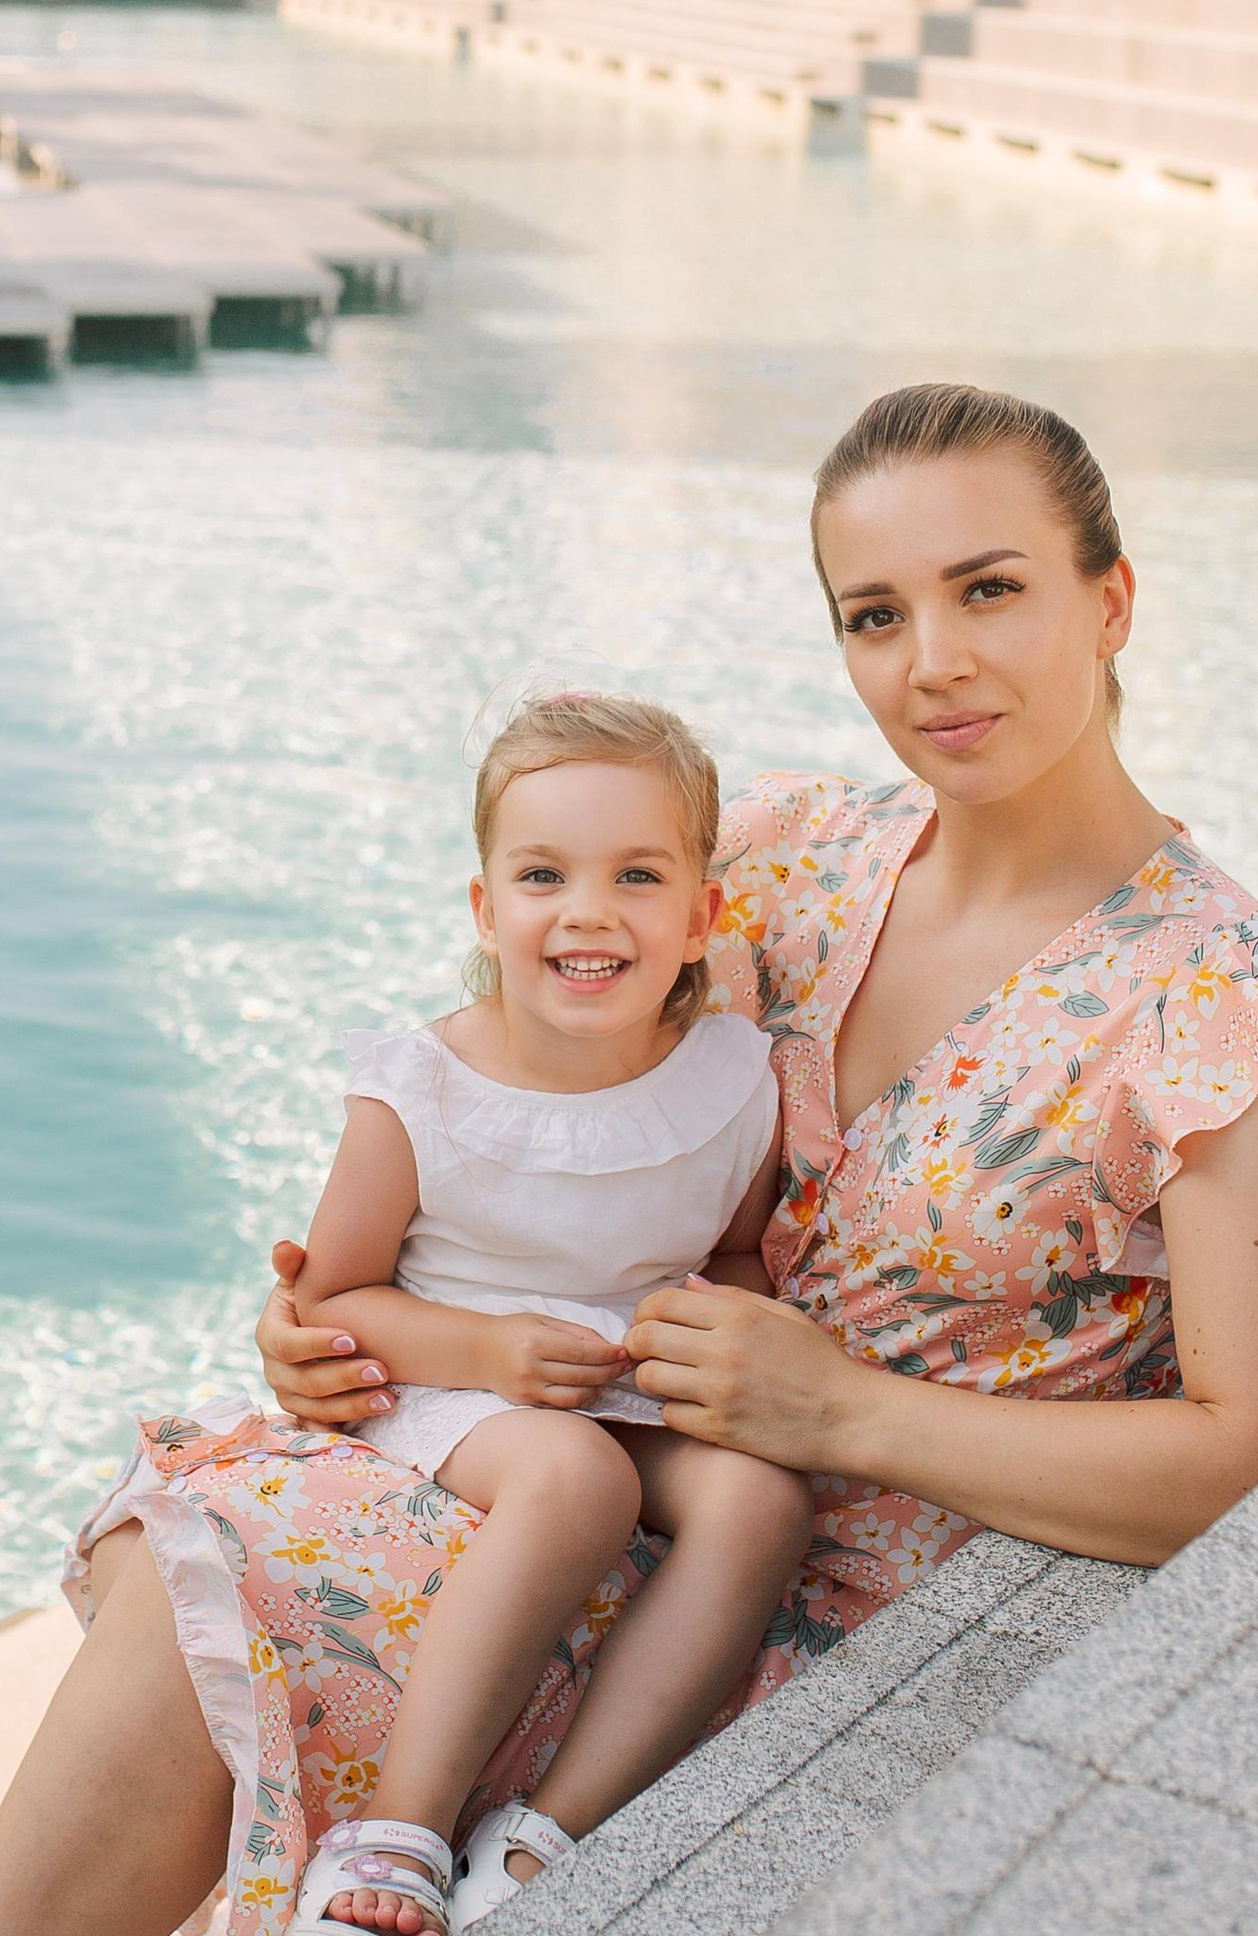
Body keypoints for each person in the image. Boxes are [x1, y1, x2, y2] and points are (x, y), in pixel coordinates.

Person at [0, 384, 1258, 1936]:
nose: (933, 664)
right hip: (602, 1494)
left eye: (992, 589)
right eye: (874, 615)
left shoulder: (1213, 1009)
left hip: (836, 1617)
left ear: (1109, 601)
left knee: (276, 1607)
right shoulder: (780, 858)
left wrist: (843, 1409)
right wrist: (348, 1312)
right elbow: (511, 1085)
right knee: (221, 1571)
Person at [283, 694, 809, 1931]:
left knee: (759, 1500)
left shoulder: (732, 1081)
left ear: (699, 919)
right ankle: (395, 1834)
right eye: (541, 874)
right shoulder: (421, 1090)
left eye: (636, 873)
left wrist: (708, 1325)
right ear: (485, 909)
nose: (586, 910)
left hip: (621, 1380)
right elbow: (332, 1295)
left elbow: (734, 1256)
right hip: (451, 1384)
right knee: (576, 1480)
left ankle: (540, 1839)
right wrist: (488, 1351)